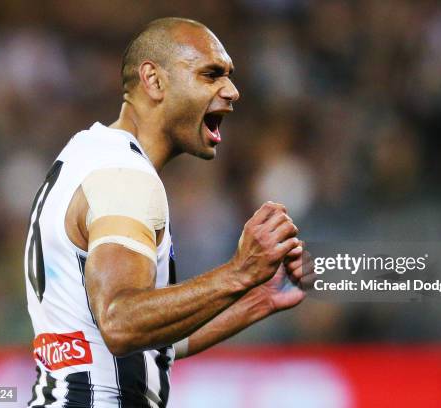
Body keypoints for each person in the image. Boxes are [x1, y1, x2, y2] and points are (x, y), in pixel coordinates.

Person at [24, 17, 313, 408]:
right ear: (154, 80)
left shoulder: (86, 155)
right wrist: (238, 272)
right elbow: (120, 321)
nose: (232, 91)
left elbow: (143, 346)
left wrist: (255, 297)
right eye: (210, 75)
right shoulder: (124, 175)